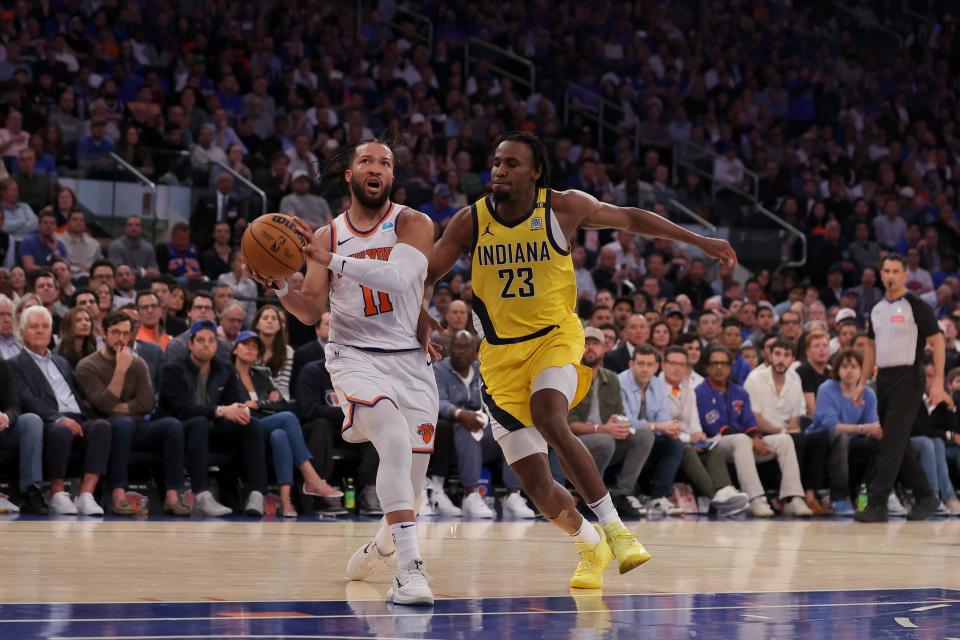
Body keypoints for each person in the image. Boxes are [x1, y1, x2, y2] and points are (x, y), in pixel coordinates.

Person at [424, 132, 736, 588]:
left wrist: (699, 240)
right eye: (495, 163)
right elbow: (428, 273)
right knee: (538, 488)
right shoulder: (471, 221)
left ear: (535, 171)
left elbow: (630, 219)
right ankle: (590, 543)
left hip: (555, 338)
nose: (499, 170)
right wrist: (418, 313)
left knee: (549, 415)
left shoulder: (564, 207)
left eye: (511, 163)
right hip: (500, 357)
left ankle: (617, 530)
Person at [250, 139, 440, 605]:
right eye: (366, 161)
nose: (377, 168)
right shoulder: (328, 235)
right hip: (355, 356)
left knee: (409, 492)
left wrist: (325, 259)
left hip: (412, 362)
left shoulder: (413, 223)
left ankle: (379, 549)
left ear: (391, 177)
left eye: (386, 163)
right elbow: (312, 310)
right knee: (392, 438)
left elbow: (399, 279)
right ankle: (411, 571)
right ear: (350, 175)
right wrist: (280, 289)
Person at [74, 312, 193, 516]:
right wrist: (120, 370)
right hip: (106, 428)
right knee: (123, 424)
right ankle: (118, 494)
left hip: (138, 426)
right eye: (115, 332)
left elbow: (147, 403)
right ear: (103, 332)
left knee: (172, 425)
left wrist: (119, 406)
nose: (121, 339)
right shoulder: (87, 366)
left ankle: (172, 495)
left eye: (125, 333)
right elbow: (103, 405)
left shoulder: (138, 364)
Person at [854, 254, 944, 522]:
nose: (890, 275)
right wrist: (862, 381)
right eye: (886, 270)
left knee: (891, 442)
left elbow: (938, 342)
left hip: (908, 378)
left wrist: (938, 381)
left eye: (895, 271)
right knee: (896, 442)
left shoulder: (917, 306)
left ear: (905, 275)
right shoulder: (878, 309)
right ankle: (925, 496)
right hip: (884, 378)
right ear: (880, 274)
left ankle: (877, 503)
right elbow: (870, 345)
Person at [158, 319, 268, 517]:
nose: (206, 344)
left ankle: (256, 493)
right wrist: (220, 410)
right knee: (199, 422)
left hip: (213, 429)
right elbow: (183, 409)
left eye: (211, 340)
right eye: (200, 340)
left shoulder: (225, 369)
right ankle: (201, 496)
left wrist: (239, 410)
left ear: (217, 345)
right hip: (178, 430)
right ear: (190, 344)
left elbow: (233, 404)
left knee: (252, 424)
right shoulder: (172, 370)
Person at [231, 330, 342, 517]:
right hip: (244, 427)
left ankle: (286, 501)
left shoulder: (262, 373)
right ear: (235, 349)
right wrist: (266, 404)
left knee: (280, 435)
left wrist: (258, 403)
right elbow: (238, 407)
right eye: (245, 344)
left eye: (255, 346)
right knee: (289, 418)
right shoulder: (228, 374)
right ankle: (312, 478)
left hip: (265, 425)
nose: (250, 349)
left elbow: (281, 403)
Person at [12, 306, 112, 515]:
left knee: (102, 426)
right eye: (34, 327)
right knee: (61, 430)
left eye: (45, 326)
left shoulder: (62, 361)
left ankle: (86, 495)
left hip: (78, 417)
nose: (40, 331)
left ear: (52, 331)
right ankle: (57, 493)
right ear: (21, 332)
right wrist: (58, 418)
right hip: (47, 421)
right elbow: (26, 399)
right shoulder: (14, 364)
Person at [695, 344, 813, 517]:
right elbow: (716, 427)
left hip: (743, 442)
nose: (719, 368)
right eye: (714, 364)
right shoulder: (701, 392)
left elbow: (749, 421)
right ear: (706, 367)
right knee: (741, 440)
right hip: (716, 444)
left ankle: (792, 498)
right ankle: (755, 499)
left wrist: (756, 437)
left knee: (784, 439)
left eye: (724, 364)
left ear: (730, 367)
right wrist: (751, 439)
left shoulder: (739, 392)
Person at [433, 330, 536, 518]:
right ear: (450, 349)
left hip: (484, 433)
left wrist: (486, 417)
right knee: (466, 427)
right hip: (453, 441)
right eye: (456, 347)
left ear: (475, 351)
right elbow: (438, 401)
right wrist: (460, 414)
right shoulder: (440, 369)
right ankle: (470, 495)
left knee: (511, 429)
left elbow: (496, 399)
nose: (461, 351)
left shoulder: (483, 370)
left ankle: (513, 496)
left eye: (466, 347)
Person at [659, 346, 748, 514]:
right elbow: (663, 424)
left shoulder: (689, 389)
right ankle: (715, 497)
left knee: (713, 450)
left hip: (688, 439)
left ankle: (725, 490)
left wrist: (699, 437)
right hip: (668, 440)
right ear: (663, 365)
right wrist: (689, 439)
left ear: (687, 368)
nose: (677, 368)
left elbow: (695, 422)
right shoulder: (656, 387)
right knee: (687, 451)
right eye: (672, 363)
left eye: (681, 364)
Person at [611, 342, 684, 517]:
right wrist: (659, 426)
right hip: (622, 438)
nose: (645, 369)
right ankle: (623, 494)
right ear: (631, 364)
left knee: (674, 443)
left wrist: (670, 428)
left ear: (657, 367)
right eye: (640, 364)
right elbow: (625, 420)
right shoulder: (619, 382)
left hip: (648, 437)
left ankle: (657, 497)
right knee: (646, 435)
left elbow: (663, 416)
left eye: (650, 364)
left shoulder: (657, 383)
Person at [807, 348, 882, 515]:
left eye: (854, 366)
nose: (849, 371)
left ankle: (867, 493)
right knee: (841, 438)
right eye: (845, 366)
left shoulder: (868, 393)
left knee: (881, 443)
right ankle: (839, 497)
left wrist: (876, 431)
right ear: (837, 369)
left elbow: (872, 424)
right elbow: (832, 426)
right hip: (823, 439)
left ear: (862, 370)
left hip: (853, 440)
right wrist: (864, 428)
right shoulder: (826, 389)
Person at [0, 357, 47, 514]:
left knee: (31, 421)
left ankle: (31, 492)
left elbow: (14, 405)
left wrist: (7, 417)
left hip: (3, 430)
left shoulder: (2, 365)